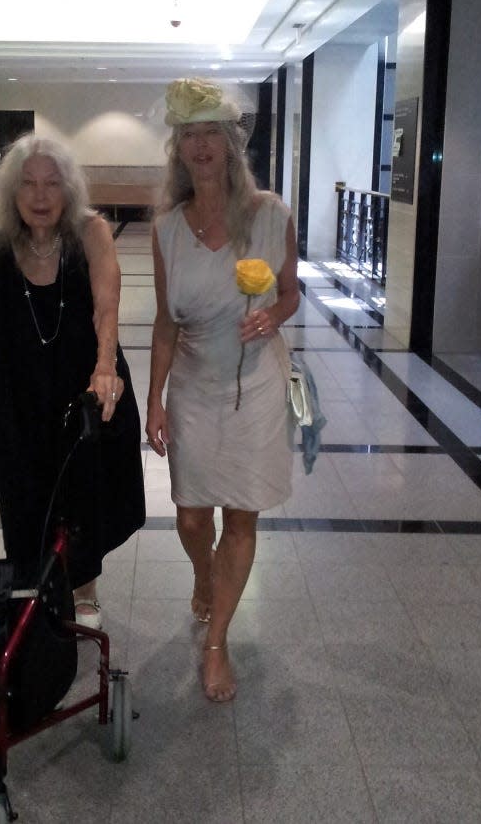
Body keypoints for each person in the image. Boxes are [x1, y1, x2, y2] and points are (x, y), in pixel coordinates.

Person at [0, 133, 145, 628]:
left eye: (52, 184)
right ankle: (31, 581)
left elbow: (107, 307)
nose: (40, 197)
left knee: (83, 492)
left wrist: (105, 367)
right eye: (28, 185)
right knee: (22, 494)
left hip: (84, 388)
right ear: (10, 192)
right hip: (16, 394)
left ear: (69, 190)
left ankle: (84, 587)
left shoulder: (91, 233)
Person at [146, 77, 300, 703]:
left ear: (231, 145)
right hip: (193, 384)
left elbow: (290, 291)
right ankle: (203, 577)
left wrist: (273, 315)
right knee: (190, 515)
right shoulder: (166, 229)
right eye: (190, 135)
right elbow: (163, 323)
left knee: (240, 515)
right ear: (178, 149)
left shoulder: (272, 215)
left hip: (256, 384)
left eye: (213, 133)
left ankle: (218, 643)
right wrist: (154, 399)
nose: (202, 145)